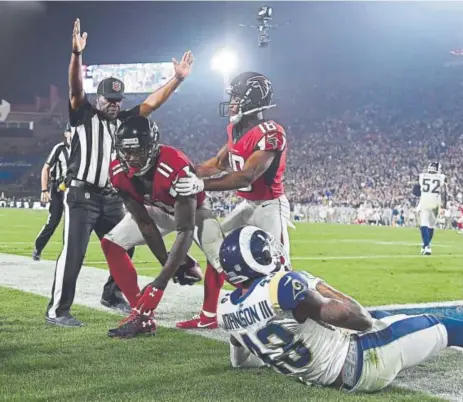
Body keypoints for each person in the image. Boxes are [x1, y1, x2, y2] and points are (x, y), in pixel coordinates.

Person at [45, 18, 194, 327]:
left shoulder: (124, 121)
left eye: (117, 100)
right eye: (108, 99)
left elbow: (151, 103)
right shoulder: (82, 113)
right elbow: (75, 88)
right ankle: (57, 310)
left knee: (126, 245)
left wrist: (176, 80)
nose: (113, 104)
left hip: (113, 196)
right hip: (82, 194)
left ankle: (112, 293)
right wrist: (76, 55)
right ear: (97, 98)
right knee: (74, 255)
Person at [216, 225, 463, 392]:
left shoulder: (225, 309)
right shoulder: (280, 288)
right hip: (365, 361)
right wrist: (316, 284)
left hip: (322, 374)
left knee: (383, 317)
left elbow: (239, 361)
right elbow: (360, 318)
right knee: (444, 325)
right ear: (257, 260)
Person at [174, 71, 290, 330]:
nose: (232, 102)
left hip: (270, 206)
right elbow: (217, 163)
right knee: (218, 251)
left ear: (253, 101)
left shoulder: (271, 133)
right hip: (248, 204)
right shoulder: (235, 129)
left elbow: (245, 176)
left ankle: (285, 321)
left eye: (236, 97)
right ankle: (207, 316)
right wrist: (185, 173)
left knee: (277, 266)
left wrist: (201, 184)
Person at [100, 115, 224, 338]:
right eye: (124, 151)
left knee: (220, 258)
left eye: (136, 151)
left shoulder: (175, 164)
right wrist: (171, 264)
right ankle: (141, 313)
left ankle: (208, 315)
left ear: (151, 148)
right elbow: (145, 224)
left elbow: (185, 230)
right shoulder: (118, 171)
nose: (129, 158)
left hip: (194, 211)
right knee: (111, 243)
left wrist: (160, 282)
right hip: (157, 209)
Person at [33, 124, 71, 261]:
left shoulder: (81, 148)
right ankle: (38, 248)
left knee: (72, 222)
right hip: (57, 189)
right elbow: (46, 168)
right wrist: (44, 189)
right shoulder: (59, 148)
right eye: (71, 131)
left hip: (73, 189)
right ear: (66, 133)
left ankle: (69, 254)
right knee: (53, 221)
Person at [413, 162, 447, 255]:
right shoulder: (442, 177)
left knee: (424, 224)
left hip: (424, 201)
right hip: (435, 202)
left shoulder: (421, 176)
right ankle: (426, 245)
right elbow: (444, 192)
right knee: (431, 226)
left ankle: (426, 246)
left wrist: (423, 192)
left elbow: (415, 191)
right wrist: (444, 206)